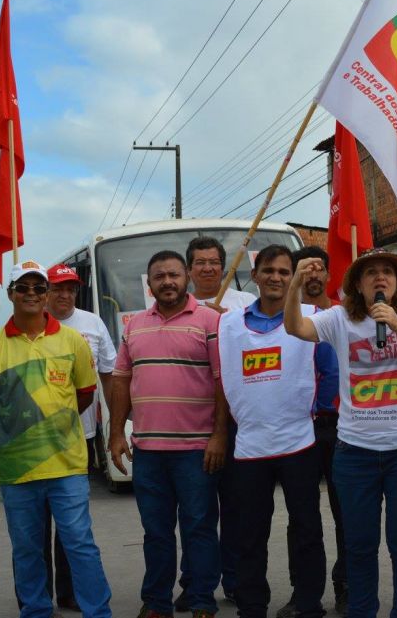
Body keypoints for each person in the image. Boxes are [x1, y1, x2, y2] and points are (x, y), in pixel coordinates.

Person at [285, 247, 397, 618]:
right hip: (355, 452)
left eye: (387, 271)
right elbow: (296, 327)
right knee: (359, 544)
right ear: (357, 283)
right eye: (370, 272)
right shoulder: (339, 318)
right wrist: (294, 285)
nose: (380, 277)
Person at [0, 261, 112, 618]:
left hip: (67, 465)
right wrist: (20, 432)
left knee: (80, 545)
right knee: (27, 549)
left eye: (38, 288)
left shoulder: (73, 342)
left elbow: (83, 396)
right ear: (10, 294)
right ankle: (35, 611)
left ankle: (99, 612)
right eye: (23, 288)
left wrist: (52, 425)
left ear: (46, 294)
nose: (31, 294)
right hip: (18, 470)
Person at [109, 250, 227, 618]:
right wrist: (116, 434)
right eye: (159, 276)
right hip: (148, 451)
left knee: (200, 529)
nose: (167, 282)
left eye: (174, 275)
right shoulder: (134, 326)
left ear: (186, 278)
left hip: (196, 450)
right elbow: (122, 380)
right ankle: (156, 602)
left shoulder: (211, 321)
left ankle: (202, 601)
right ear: (149, 284)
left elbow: (224, 383)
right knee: (156, 533)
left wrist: (220, 436)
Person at [218, 244, 327, 618]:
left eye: (284, 271)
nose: (276, 277)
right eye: (269, 270)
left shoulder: (313, 317)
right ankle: (251, 605)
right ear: (256, 275)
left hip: (299, 442)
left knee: (307, 530)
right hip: (249, 446)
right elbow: (223, 379)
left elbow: (328, 372)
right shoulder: (228, 323)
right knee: (249, 534)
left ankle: (308, 602)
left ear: (293, 276)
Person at [174, 236, 253, 610]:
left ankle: (236, 580)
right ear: (189, 271)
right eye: (199, 262)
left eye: (213, 262)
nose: (207, 268)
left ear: (225, 267)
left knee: (237, 509)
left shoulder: (245, 305)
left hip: (238, 421)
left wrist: (228, 324)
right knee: (196, 511)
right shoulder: (176, 307)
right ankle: (194, 583)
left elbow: (261, 346)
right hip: (193, 422)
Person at [33, 263, 117, 612]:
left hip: (79, 437)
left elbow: (110, 375)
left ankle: (68, 592)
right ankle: (38, 596)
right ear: (45, 292)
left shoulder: (92, 324)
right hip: (34, 442)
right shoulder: (30, 324)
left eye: (71, 289)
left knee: (72, 526)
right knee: (35, 526)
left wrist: (116, 427)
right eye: (57, 288)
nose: (65, 295)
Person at [279, 246, 346, 618]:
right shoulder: (285, 320)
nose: (314, 275)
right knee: (302, 517)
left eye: (320, 268)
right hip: (300, 428)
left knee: (347, 514)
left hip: (343, 429)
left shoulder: (347, 313)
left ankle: (347, 586)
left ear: (330, 275)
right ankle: (304, 594)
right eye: (306, 269)